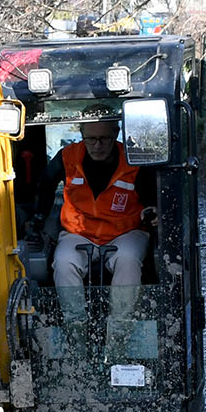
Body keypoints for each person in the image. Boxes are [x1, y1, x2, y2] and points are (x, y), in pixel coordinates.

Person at [47, 109, 158, 341]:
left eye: (104, 139)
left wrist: (152, 210)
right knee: (64, 262)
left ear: (116, 134)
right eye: (91, 139)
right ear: (82, 135)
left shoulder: (134, 160)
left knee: (128, 259)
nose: (97, 146)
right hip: (79, 232)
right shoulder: (68, 157)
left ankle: (118, 332)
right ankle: (76, 330)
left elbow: (152, 196)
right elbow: (42, 188)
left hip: (126, 231)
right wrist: (36, 219)